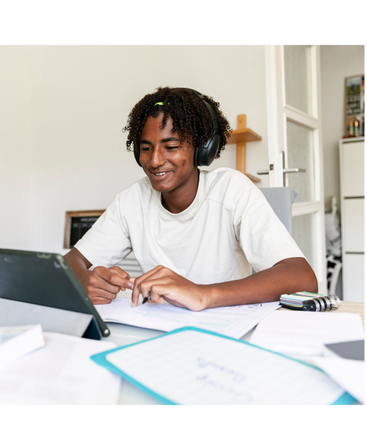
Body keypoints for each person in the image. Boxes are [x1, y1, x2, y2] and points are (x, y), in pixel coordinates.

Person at [64, 87, 317, 311]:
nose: (154, 161)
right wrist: (84, 280)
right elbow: (71, 261)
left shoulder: (231, 190)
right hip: (160, 330)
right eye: (146, 148)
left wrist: (202, 293)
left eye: (171, 147)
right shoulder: (132, 201)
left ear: (202, 148)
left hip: (226, 329)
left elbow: (302, 277)